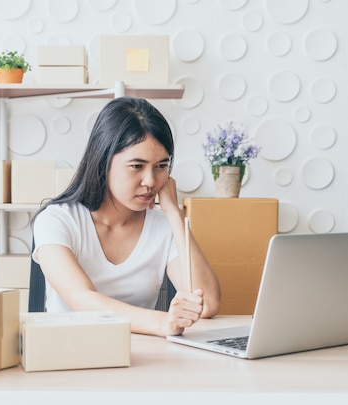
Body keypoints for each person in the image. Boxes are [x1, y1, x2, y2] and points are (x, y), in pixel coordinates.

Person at [31, 97, 221, 337]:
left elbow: (208, 303)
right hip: (70, 355)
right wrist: (164, 323)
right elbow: (82, 300)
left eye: (161, 166)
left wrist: (174, 212)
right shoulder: (57, 220)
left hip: (142, 358)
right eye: (136, 166)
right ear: (103, 162)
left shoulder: (164, 225)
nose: (151, 181)